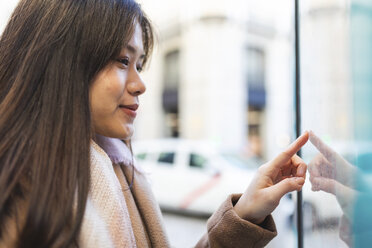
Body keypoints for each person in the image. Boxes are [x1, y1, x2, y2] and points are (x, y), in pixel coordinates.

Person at [0, 0, 309, 247]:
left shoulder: (119, 167)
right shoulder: (22, 198)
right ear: (62, 61)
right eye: (123, 60)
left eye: (139, 64)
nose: (140, 84)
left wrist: (245, 213)